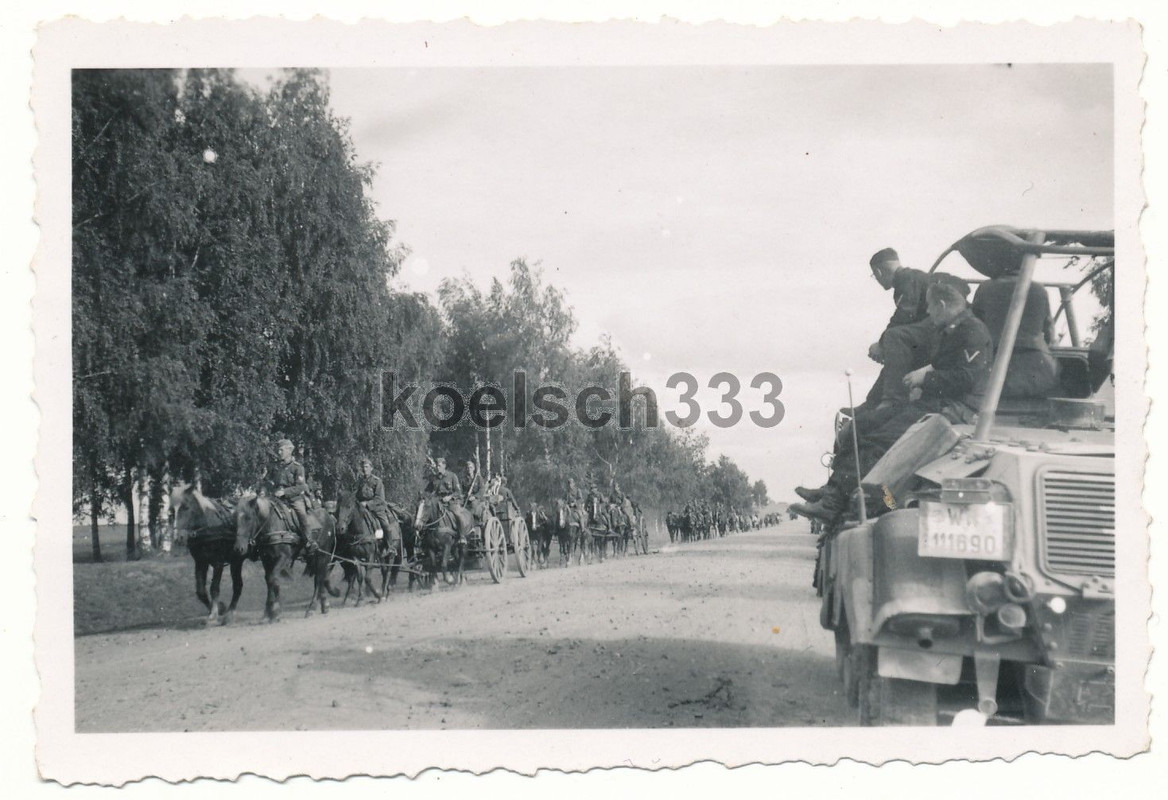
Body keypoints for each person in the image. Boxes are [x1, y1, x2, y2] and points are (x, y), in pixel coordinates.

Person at [792, 281, 994, 522]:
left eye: (930, 306)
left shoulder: (972, 332)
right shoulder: (953, 330)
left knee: (881, 439)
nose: (928, 312)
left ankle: (834, 503)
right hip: (935, 403)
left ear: (941, 305)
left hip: (955, 409)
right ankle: (833, 491)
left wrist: (926, 378)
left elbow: (967, 378)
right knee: (861, 424)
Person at [863, 247, 972, 408]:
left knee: (894, 337)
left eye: (875, 276)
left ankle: (893, 399)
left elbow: (904, 315)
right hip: (941, 326)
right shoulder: (913, 277)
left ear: (878, 272)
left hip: (943, 326)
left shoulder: (905, 278)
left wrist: (881, 344)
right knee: (896, 350)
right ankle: (872, 402)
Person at [972, 272, 1059, 398]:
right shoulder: (1039, 289)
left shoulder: (985, 287)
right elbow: (1049, 329)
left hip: (993, 370)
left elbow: (975, 327)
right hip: (1038, 373)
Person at [266, 439, 314, 551]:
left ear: (289, 450)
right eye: (278, 450)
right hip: (277, 499)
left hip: (294, 499)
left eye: (281, 450)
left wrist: (284, 492)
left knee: (301, 514)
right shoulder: (277, 467)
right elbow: (272, 483)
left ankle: (309, 541)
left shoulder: (297, 467)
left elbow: (300, 487)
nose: (279, 452)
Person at [354, 457, 397, 553]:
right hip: (361, 509)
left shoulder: (377, 481)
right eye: (363, 467)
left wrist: (367, 504)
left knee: (385, 525)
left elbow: (380, 499)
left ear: (371, 468)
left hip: (376, 508)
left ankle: (390, 547)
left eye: (366, 467)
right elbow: (355, 495)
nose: (364, 469)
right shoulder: (359, 482)